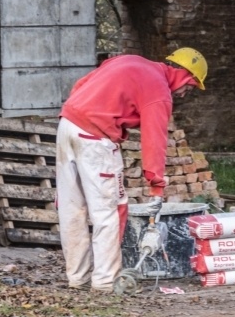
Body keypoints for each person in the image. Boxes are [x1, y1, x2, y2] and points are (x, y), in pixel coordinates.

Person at [56, 48, 208, 292]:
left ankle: (77, 278)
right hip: (96, 138)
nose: (184, 94)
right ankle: (105, 282)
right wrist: (156, 185)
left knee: (71, 209)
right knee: (109, 212)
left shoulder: (129, 60)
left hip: (67, 125)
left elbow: (81, 84)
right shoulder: (159, 91)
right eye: (189, 88)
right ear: (186, 76)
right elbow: (155, 140)